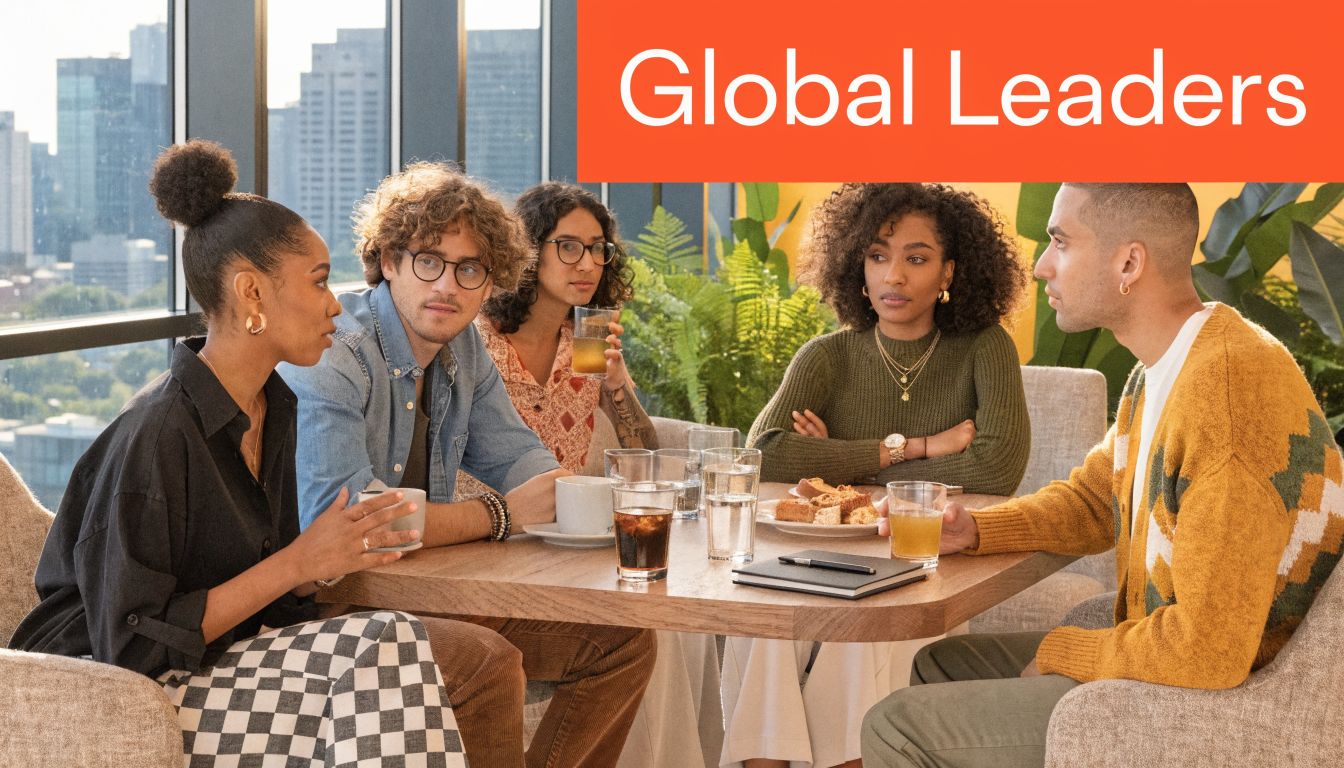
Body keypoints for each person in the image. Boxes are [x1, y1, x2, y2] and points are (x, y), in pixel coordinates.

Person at [8, 140, 465, 765]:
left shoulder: (274, 408)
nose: (336, 303)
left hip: (216, 659)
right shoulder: (159, 432)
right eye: (319, 281)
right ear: (252, 293)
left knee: (407, 649)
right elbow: (130, 642)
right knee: (382, 645)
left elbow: (271, 595)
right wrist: (300, 562)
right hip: (102, 690)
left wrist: (320, 564)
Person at [860, 183, 1344, 768]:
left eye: (1060, 242)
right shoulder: (1166, 367)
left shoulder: (1228, 391)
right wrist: (978, 531)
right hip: (1179, 662)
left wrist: (1068, 651)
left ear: (1129, 263)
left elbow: (1210, 649)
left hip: (1222, 704)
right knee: (939, 664)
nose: (1041, 266)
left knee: (895, 727)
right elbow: (1095, 502)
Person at [279, 163, 657, 768]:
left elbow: (513, 451)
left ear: (491, 282)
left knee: (621, 643)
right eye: (429, 260)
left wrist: (581, 494)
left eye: (470, 270)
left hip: (419, 588)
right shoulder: (337, 350)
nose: (447, 286)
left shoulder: (463, 344)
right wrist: (500, 514)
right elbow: (347, 519)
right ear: (390, 260)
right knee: (488, 660)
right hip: (322, 603)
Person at [725, 183, 1031, 768]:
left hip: (924, 569)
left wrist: (836, 465)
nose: (895, 275)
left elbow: (996, 468)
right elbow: (761, 454)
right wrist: (917, 449)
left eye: (916, 258)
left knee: (855, 625)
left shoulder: (984, 348)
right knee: (764, 623)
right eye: (877, 256)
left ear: (948, 272)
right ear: (855, 269)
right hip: (813, 560)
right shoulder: (827, 356)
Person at [466, 181, 723, 768]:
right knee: (640, 621)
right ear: (528, 250)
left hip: (565, 539)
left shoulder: (583, 341)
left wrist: (615, 387)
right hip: (488, 541)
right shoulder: (475, 340)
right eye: (568, 247)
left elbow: (644, 451)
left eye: (598, 248)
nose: (587, 263)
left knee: (674, 610)